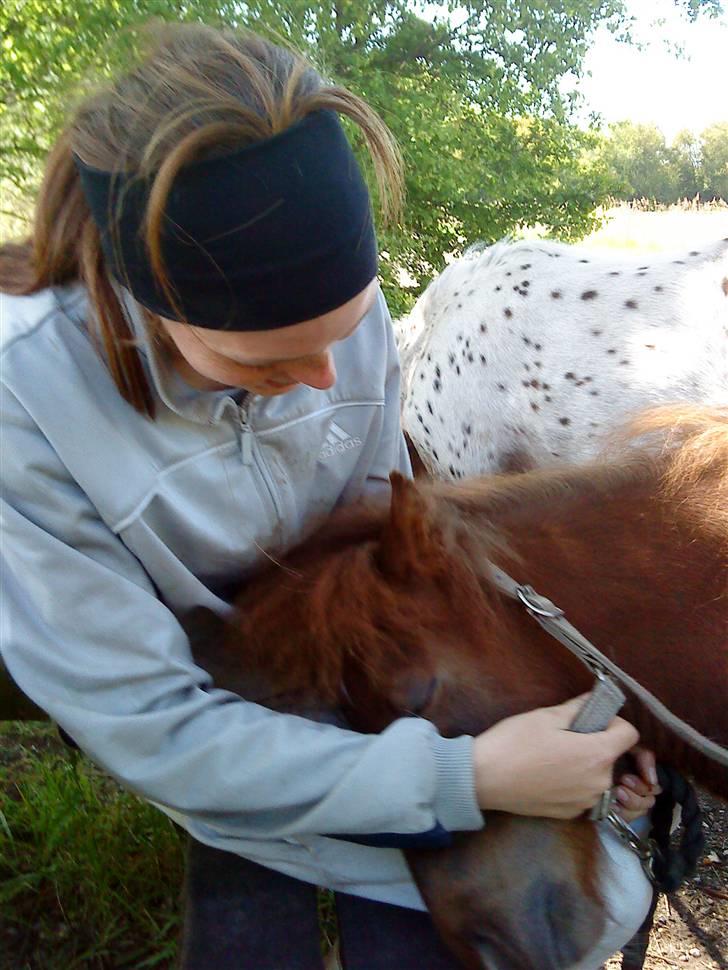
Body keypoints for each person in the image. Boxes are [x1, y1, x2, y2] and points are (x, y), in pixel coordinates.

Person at [0, 22, 659, 970]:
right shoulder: (29, 399)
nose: (324, 376)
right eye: (262, 360)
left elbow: (380, 570)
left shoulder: (342, 325)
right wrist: (470, 775)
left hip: (345, 699)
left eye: (346, 331)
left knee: (590, 911)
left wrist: (559, 716)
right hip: (203, 730)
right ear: (149, 300)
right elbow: (152, 727)